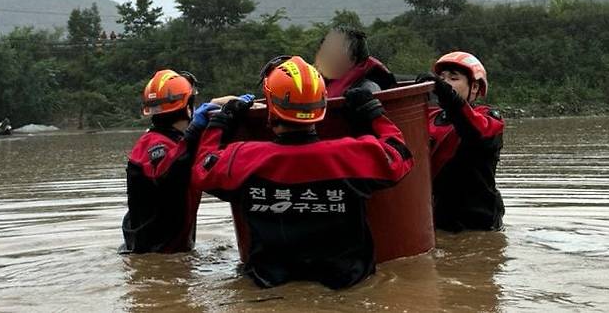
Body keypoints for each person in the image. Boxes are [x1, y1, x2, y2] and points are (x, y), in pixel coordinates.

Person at [190, 56, 414, 289]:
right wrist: (373, 112)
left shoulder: (242, 159)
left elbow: (202, 169)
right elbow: (400, 155)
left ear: (271, 108)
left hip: (269, 286)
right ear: (322, 104)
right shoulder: (354, 155)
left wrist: (221, 123)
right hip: (347, 286)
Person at [119, 68, 253, 254]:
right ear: (188, 107)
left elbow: (193, 159)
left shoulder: (173, 141)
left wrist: (221, 113)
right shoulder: (155, 146)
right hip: (156, 251)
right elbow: (170, 171)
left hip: (159, 249)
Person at [416, 51, 505, 232]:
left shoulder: (490, 119)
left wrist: (446, 94)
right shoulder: (430, 118)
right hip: (439, 217)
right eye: (441, 78)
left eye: (453, 78)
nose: (444, 82)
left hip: (479, 222)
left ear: (474, 88)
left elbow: (473, 129)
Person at [314, 26, 396, 97]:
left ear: (352, 60)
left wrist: (363, 100)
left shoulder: (366, 87)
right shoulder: (323, 82)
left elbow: (373, 96)